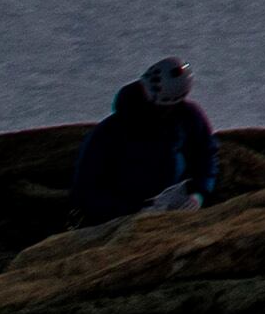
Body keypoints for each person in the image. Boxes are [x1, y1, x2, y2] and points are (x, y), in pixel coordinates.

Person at [68, 57, 219, 224]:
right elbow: (86, 189)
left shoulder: (188, 117)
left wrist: (199, 193)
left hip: (175, 208)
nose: (164, 111)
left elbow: (206, 155)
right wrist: (132, 211)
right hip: (121, 220)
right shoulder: (110, 132)